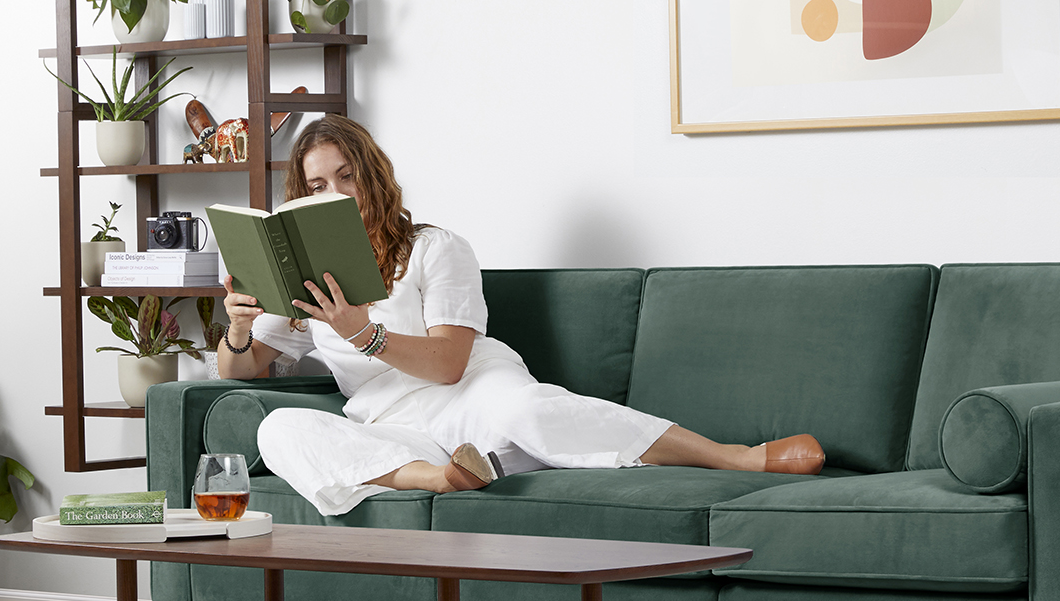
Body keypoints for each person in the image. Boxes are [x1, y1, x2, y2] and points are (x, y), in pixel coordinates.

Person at [217, 115, 826, 517]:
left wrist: (364, 334)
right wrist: (239, 331)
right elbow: (240, 371)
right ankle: (439, 478)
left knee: (524, 410)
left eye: (347, 177)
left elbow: (451, 363)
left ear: (372, 178)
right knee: (279, 431)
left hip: (474, 391)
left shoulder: (434, 247)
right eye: (318, 184)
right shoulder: (300, 277)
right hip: (393, 425)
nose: (336, 194)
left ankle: (733, 455)